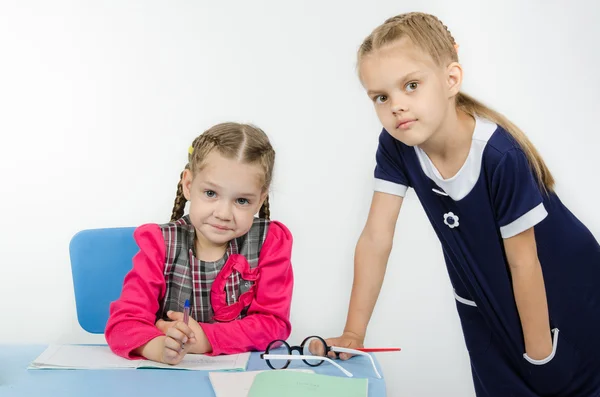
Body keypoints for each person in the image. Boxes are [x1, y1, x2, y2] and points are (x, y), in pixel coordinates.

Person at [324, 12, 600, 396]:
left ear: (451, 79)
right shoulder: (396, 146)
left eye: (411, 85)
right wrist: (354, 331)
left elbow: (524, 262)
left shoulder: (499, 155)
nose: (396, 106)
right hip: (483, 296)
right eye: (381, 97)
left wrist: (540, 356)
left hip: (557, 291)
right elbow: (376, 237)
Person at [106, 122, 294, 365]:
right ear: (188, 184)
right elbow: (123, 325)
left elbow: (274, 325)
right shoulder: (158, 243)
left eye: (242, 200)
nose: (224, 213)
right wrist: (160, 347)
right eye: (210, 193)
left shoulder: (270, 242)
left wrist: (204, 339)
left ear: (260, 200)